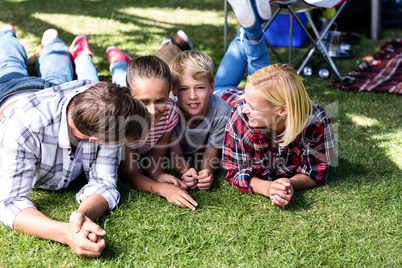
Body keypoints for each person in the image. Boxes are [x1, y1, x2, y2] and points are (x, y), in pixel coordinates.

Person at [0, 25, 152, 257]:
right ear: (94, 139)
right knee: (10, 63)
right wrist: (65, 233)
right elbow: (10, 202)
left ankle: (51, 43)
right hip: (11, 94)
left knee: (58, 63)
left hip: (56, 89)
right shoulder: (24, 127)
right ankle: (7, 34)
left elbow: (104, 182)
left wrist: (82, 215)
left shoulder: (103, 108)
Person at [222, 63, 336, 208]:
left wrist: (289, 184)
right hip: (221, 97)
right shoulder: (241, 116)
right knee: (221, 82)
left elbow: (315, 172)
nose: (245, 110)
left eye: (252, 107)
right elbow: (235, 171)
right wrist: (267, 188)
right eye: (246, 103)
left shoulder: (317, 123)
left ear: (282, 110)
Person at [106, 48, 198, 210]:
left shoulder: (170, 112)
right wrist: (162, 189)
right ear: (129, 96)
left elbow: (155, 156)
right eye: (144, 102)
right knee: (109, 79)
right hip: (116, 95)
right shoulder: (121, 120)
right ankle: (96, 57)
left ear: (170, 93)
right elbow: (130, 173)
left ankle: (120, 60)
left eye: (160, 100)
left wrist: (158, 175)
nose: (153, 111)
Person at [168, 51, 232, 190]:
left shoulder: (222, 112)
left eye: (200, 88)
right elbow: (175, 152)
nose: (192, 96)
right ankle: (120, 62)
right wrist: (184, 171)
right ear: (174, 91)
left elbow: (212, 151)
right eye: (184, 89)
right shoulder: (168, 109)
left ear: (211, 87)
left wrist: (206, 172)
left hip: (227, 94)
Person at [214, 0, 272, 96]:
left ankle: (252, 26)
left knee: (218, 87)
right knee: (262, 92)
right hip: (255, 99)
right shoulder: (253, 107)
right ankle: (253, 27)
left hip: (222, 93)